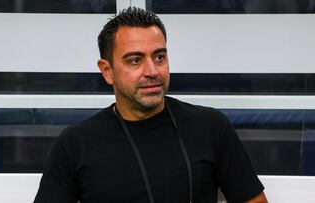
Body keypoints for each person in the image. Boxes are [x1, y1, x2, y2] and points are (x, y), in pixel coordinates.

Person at [34, 7, 268, 203]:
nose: (152, 71)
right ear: (107, 71)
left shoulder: (210, 126)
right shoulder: (75, 144)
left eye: (159, 57)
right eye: (135, 60)